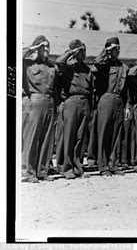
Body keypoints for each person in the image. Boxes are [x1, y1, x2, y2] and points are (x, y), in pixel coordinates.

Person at [55, 39, 94, 179]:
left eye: (84, 50)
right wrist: (71, 52)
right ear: (75, 52)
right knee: (69, 137)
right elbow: (59, 62)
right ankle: (67, 169)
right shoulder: (68, 67)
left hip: (85, 102)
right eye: (81, 50)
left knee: (80, 138)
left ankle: (78, 168)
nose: (84, 53)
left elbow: (92, 89)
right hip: (71, 102)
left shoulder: (87, 69)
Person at [22, 35, 58, 183]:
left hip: (50, 101)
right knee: (32, 137)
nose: (47, 49)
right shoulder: (28, 63)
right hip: (35, 99)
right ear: (37, 48)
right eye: (44, 46)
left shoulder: (51, 66)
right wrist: (33, 49)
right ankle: (29, 172)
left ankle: (42, 171)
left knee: (47, 139)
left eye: (48, 46)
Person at [93, 37, 129, 177]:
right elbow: (97, 62)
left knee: (116, 134)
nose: (117, 50)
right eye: (114, 48)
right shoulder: (104, 65)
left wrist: (126, 106)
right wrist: (106, 50)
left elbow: (126, 90)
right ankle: (103, 166)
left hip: (119, 100)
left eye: (118, 48)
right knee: (104, 133)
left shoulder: (123, 67)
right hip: (106, 99)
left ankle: (113, 164)